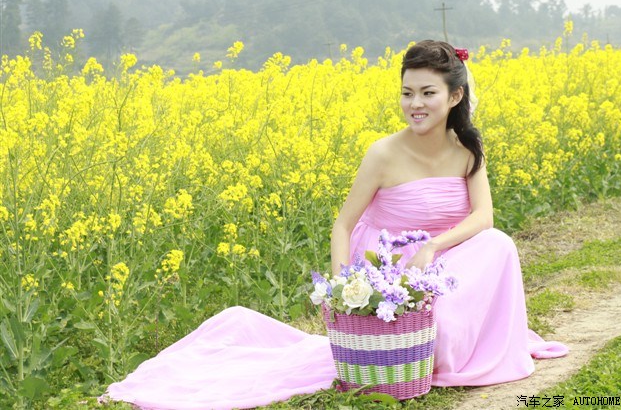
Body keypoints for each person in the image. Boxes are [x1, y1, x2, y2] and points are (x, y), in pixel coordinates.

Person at [101, 40, 567, 410]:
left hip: (447, 263)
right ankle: (426, 343)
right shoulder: (383, 153)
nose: (415, 104)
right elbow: (343, 225)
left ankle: (455, 344)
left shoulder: (467, 149)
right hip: (390, 269)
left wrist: (432, 248)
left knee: (498, 243)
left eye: (428, 93)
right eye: (407, 93)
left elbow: (483, 217)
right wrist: (344, 292)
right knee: (426, 336)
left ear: (455, 96)